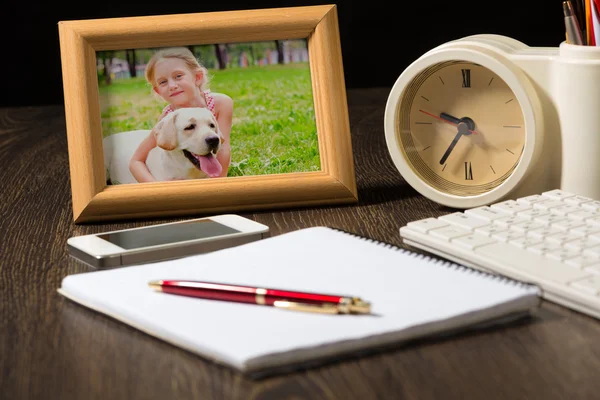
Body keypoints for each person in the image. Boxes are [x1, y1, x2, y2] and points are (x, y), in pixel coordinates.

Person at [129, 47, 233, 182]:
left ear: (197, 77)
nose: (172, 85)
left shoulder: (221, 103)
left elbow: (223, 148)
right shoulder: (167, 119)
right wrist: (157, 190)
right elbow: (136, 161)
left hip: (213, 160)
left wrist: (218, 183)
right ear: (158, 91)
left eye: (178, 76)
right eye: (163, 82)